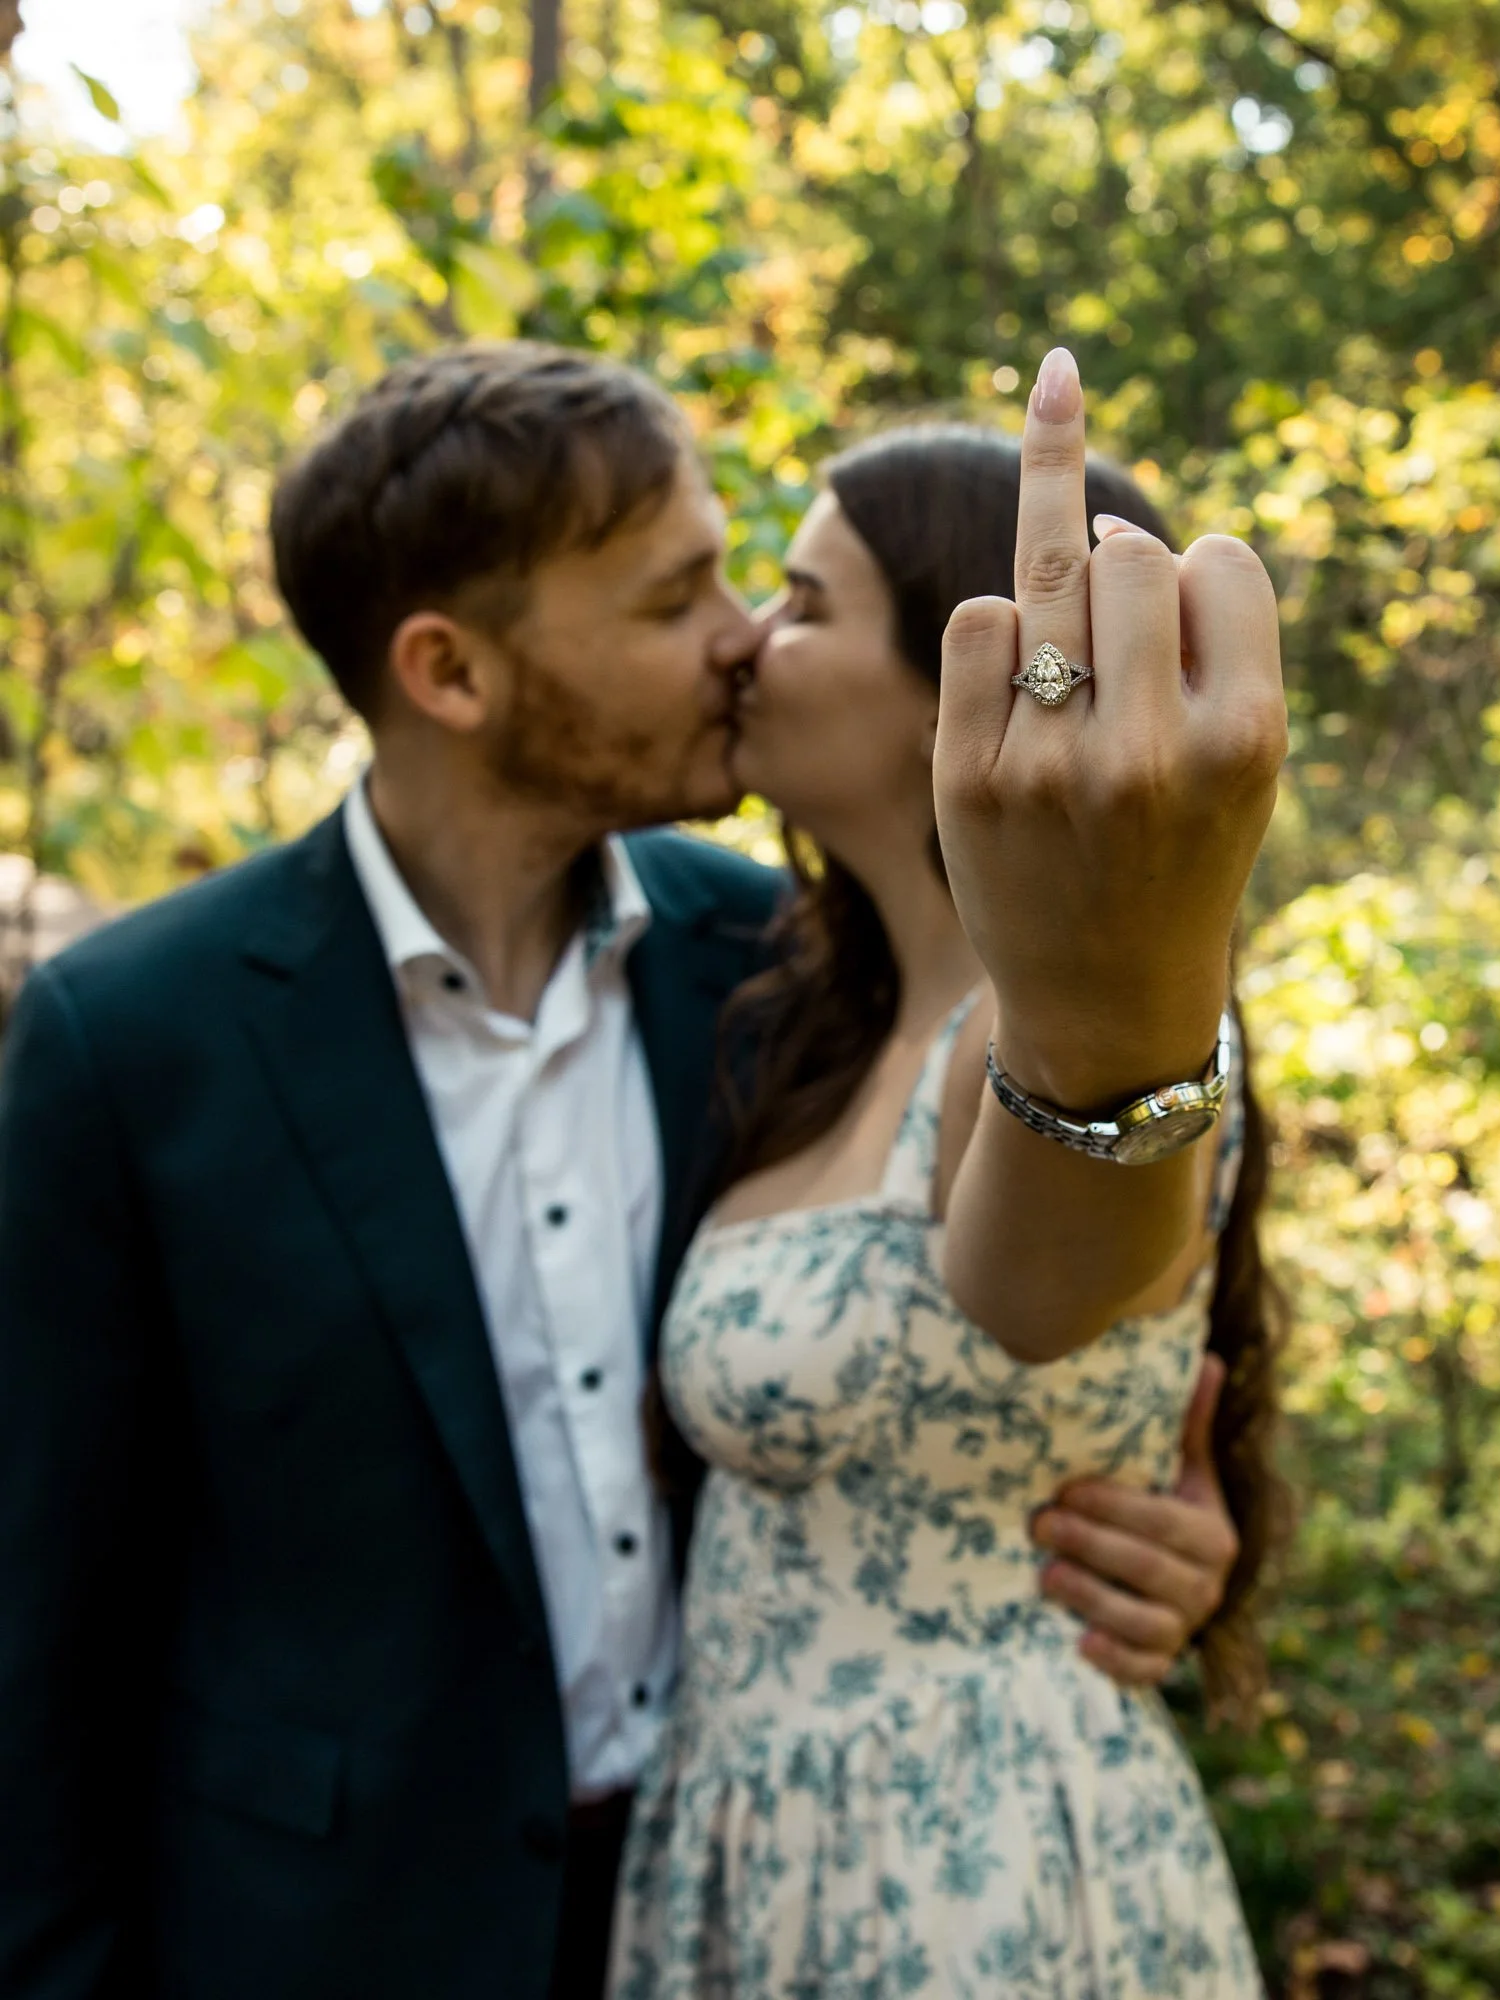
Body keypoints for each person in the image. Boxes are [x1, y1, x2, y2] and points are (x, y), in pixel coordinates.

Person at [0, 342, 1245, 2000]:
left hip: (765, 1894)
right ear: (449, 671)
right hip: (347, 1937)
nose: (738, 633)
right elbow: (38, 1625)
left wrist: (1166, 1534)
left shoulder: (764, 962)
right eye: (677, 602)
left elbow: (1050, 1288)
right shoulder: (131, 1037)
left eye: (760, 586)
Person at [609, 369, 1287, 1995]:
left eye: (801, 603)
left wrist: (1122, 1001)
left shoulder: (1072, 1018)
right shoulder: (788, 1009)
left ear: (964, 679)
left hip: (975, 1886)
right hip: (744, 1860)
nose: (750, 643)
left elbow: (1045, 1285)